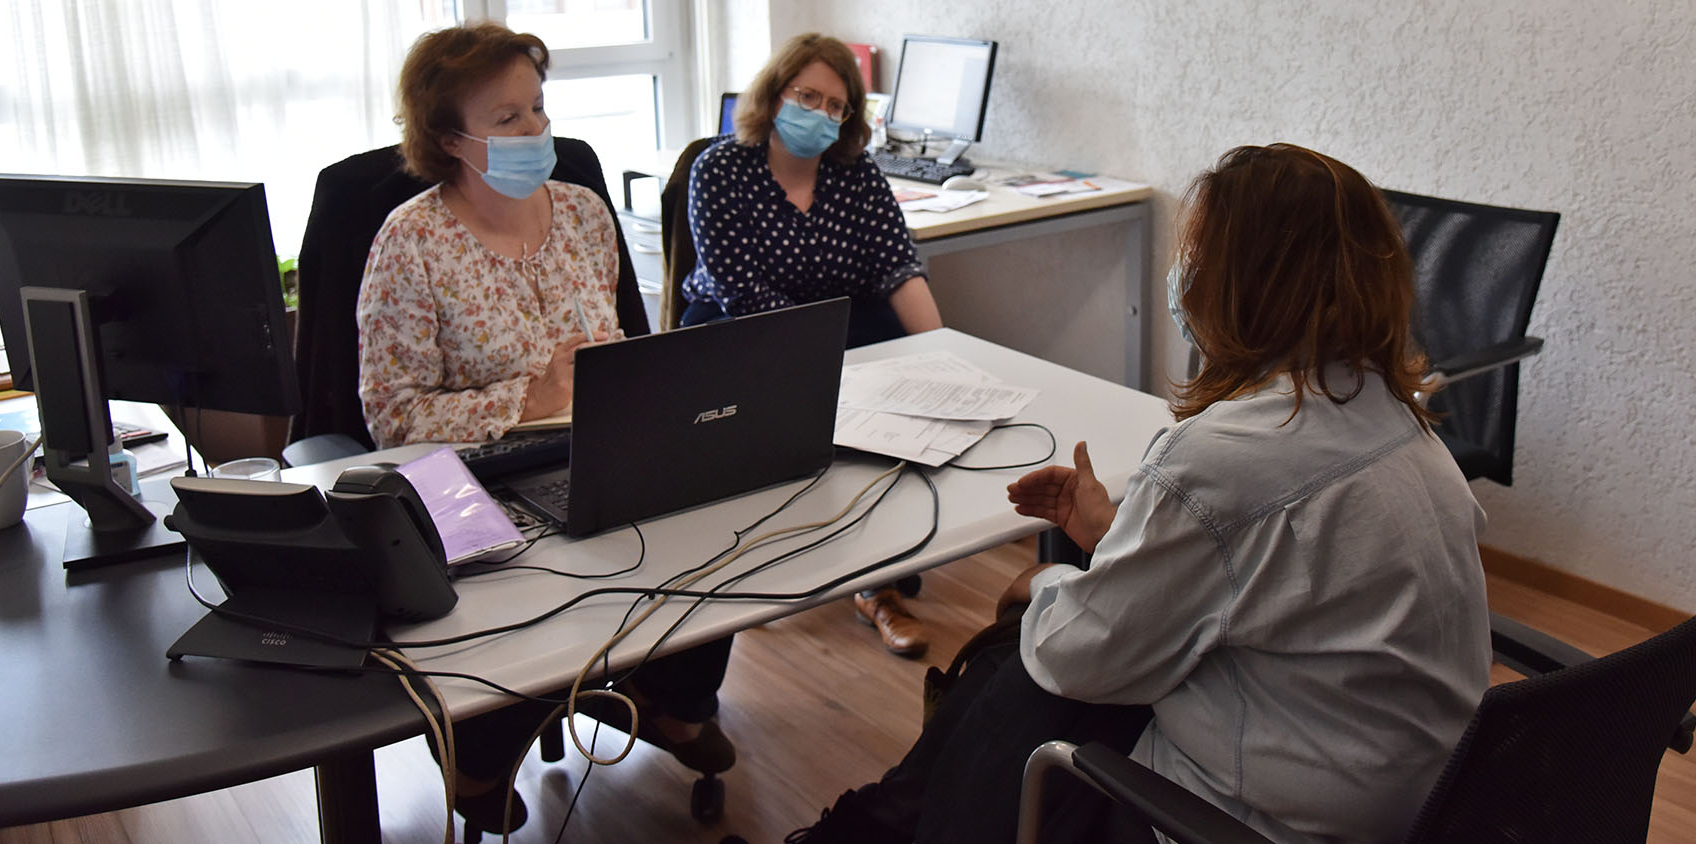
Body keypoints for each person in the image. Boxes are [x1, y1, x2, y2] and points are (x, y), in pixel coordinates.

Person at [776, 144, 1492, 844]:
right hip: (1420, 798)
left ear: (1242, 285)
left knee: (1021, 662)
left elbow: (1075, 655)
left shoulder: (1222, 458)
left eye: (1197, 256)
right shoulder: (1403, 422)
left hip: (1263, 819)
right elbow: (1268, 577)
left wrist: (1046, 576)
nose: (1183, 275)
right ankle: (876, 825)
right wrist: (1119, 534)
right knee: (1038, 654)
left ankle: (876, 827)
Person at [355, 22, 734, 837]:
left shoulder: (586, 213)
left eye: (537, 109)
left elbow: (626, 351)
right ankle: (481, 753)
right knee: (515, 579)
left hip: (598, 444)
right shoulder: (409, 243)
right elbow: (391, 416)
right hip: (467, 475)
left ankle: (669, 697)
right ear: (448, 138)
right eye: (506, 119)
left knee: (713, 521)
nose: (536, 133)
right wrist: (526, 399)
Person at [682, 33, 943, 657]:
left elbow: (897, 269)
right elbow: (739, 290)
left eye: (836, 104)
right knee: (758, 426)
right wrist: (823, 359)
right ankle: (754, 566)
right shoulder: (718, 170)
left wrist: (945, 356)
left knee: (896, 419)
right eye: (807, 96)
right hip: (737, 328)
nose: (821, 114)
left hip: (844, 322)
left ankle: (877, 585)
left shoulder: (857, 175)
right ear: (775, 95)